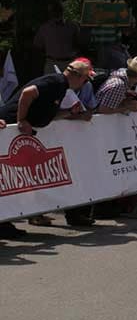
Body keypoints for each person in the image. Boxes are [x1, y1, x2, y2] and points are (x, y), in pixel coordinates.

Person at [0, 60, 95, 229]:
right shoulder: (55, 82)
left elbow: (50, 115)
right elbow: (28, 93)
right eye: (85, 80)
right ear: (77, 76)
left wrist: (74, 115)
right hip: (10, 127)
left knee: (27, 176)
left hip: (25, 132)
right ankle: (5, 222)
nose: (84, 84)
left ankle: (27, 215)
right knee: (10, 178)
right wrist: (21, 120)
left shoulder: (61, 88)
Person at [34, 1, 80, 74]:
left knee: (69, 84)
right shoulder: (45, 28)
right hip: (51, 62)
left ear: (62, 11)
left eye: (58, 10)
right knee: (50, 84)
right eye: (54, 10)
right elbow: (38, 45)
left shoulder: (72, 26)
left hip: (69, 62)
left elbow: (78, 43)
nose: (56, 12)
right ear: (50, 12)